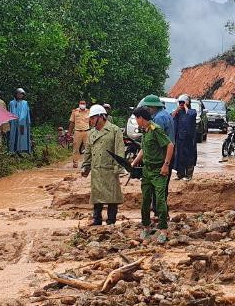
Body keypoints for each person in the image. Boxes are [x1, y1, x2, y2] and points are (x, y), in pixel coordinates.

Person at [131, 106, 173, 242]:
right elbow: (144, 149)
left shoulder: (156, 130)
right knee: (145, 200)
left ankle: (163, 229)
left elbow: (170, 145)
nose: (136, 121)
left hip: (158, 171)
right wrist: (134, 163)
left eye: (136, 119)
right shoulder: (146, 131)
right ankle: (146, 226)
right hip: (147, 171)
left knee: (160, 200)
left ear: (140, 118)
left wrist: (166, 165)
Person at [80, 104, 124, 225]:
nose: (91, 121)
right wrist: (85, 167)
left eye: (93, 118)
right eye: (90, 118)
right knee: (96, 196)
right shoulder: (92, 133)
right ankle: (97, 220)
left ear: (101, 117)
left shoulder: (114, 130)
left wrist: (118, 167)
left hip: (109, 169)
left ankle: (111, 221)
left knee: (112, 197)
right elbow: (88, 152)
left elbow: (119, 150)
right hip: (96, 169)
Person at [171, 93, 198, 180]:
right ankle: (180, 174)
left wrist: (186, 106)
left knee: (189, 157)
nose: (181, 104)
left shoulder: (192, 111)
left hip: (189, 140)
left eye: (183, 102)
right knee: (179, 157)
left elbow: (190, 115)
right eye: (180, 103)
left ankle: (189, 175)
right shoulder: (178, 113)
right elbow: (171, 117)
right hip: (179, 139)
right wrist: (177, 110)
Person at [8, 88, 31, 154]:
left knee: (22, 135)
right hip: (14, 123)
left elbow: (27, 113)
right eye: (19, 93)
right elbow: (9, 113)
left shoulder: (25, 103)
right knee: (13, 135)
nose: (20, 95)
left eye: (22, 94)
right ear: (16, 94)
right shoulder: (12, 103)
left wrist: (28, 122)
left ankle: (22, 151)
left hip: (22, 124)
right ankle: (13, 151)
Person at [69, 99, 91, 168]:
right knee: (76, 148)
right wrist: (69, 132)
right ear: (79, 104)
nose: (82, 104)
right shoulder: (75, 112)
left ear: (85, 104)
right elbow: (72, 122)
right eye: (81, 103)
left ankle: (87, 163)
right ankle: (75, 163)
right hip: (77, 132)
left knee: (88, 148)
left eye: (83, 103)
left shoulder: (89, 112)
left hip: (87, 131)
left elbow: (92, 122)